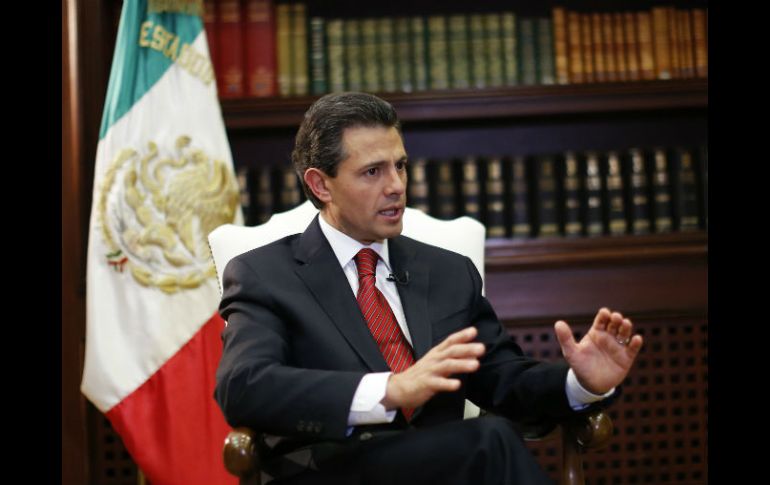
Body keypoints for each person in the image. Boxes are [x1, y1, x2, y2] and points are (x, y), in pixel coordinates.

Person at [214, 92, 643, 484]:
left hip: (444, 467)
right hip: (334, 469)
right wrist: (390, 390)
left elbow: (502, 379)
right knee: (490, 440)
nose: (396, 186)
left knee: (489, 438)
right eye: (372, 171)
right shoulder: (266, 274)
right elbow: (244, 385)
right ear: (321, 185)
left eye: (400, 166)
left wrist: (581, 384)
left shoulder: (447, 272)